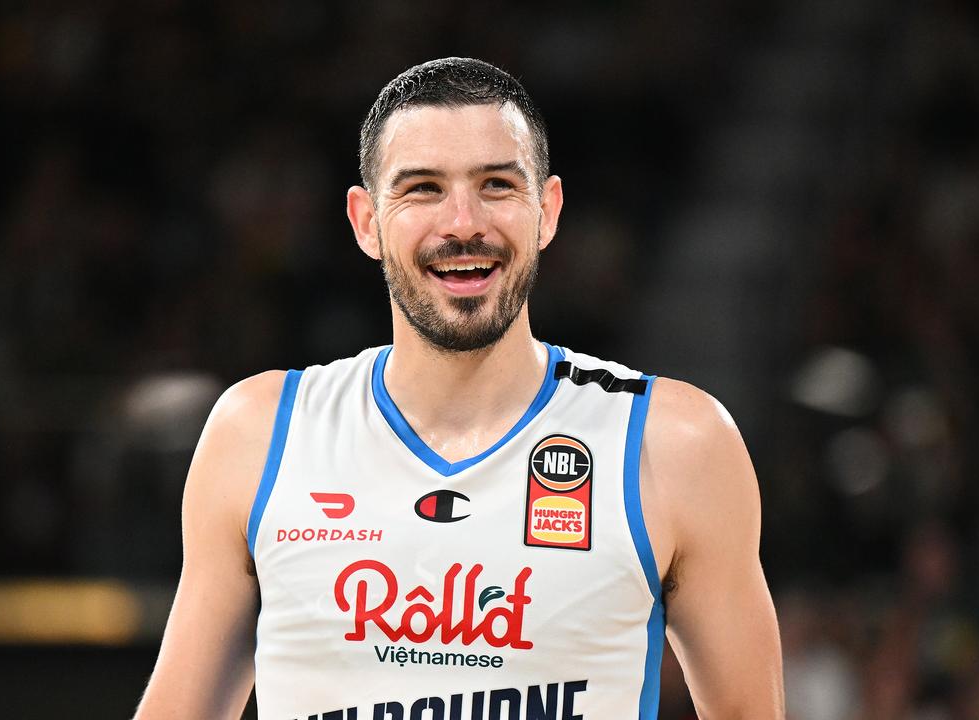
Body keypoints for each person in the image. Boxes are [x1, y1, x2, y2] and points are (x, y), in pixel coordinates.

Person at [135, 57, 784, 719]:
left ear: (548, 211)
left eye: (497, 185)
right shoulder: (260, 432)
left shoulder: (673, 443)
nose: (464, 222)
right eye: (422, 189)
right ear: (365, 221)